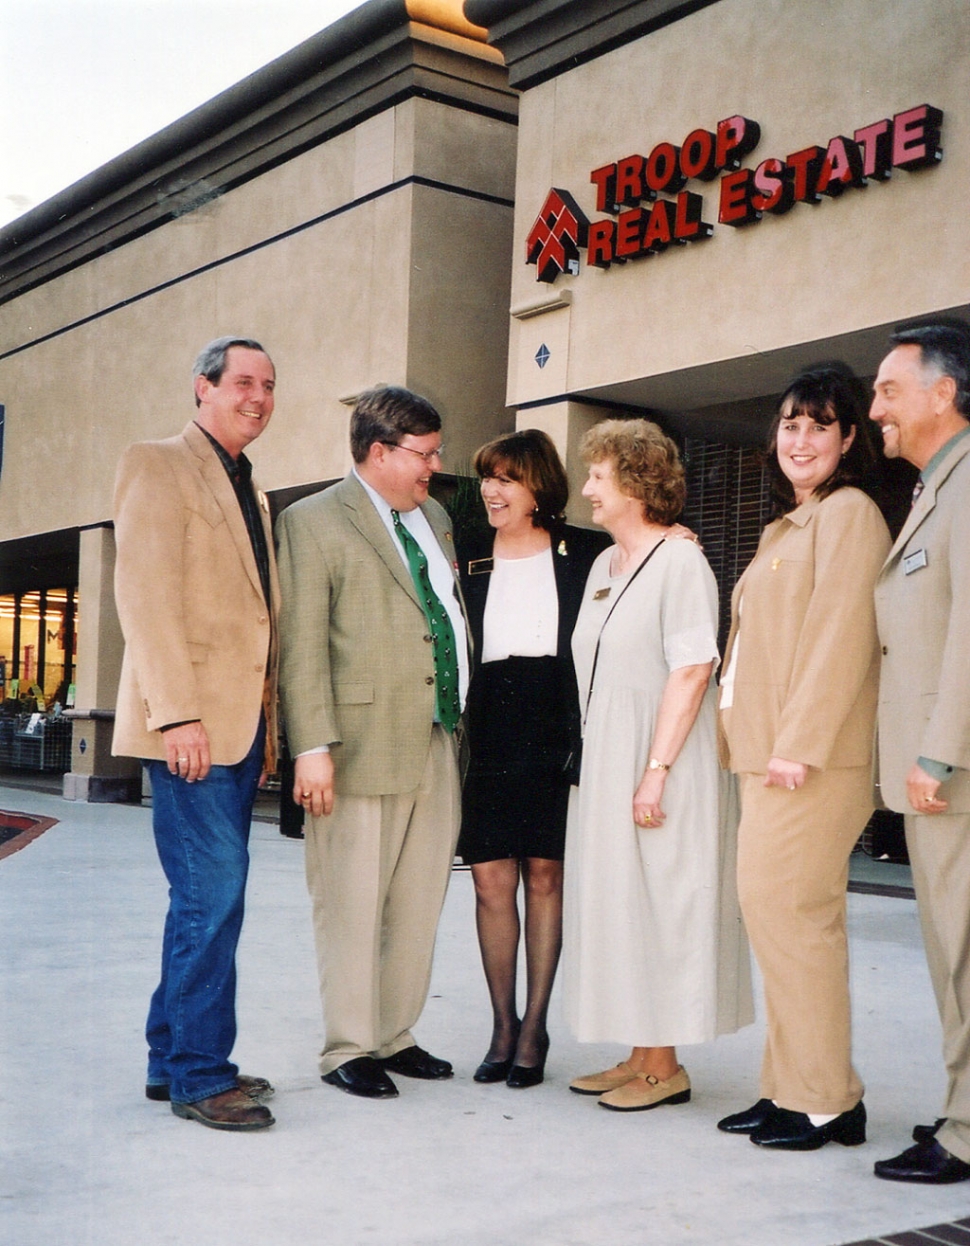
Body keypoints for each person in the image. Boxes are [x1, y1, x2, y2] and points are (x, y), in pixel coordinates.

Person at [276, 385, 468, 1100]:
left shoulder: (437, 518)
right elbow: (303, 647)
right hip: (353, 744)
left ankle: (394, 1034)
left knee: (417, 900)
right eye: (425, 453)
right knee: (352, 900)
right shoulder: (314, 520)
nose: (436, 466)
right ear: (378, 451)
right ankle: (348, 1045)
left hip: (436, 735)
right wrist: (311, 746)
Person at [716, 366, 890, 1151]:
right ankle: (790, 1088)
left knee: (795, 918)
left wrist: (797, 747)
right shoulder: (791, 524)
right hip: (770, 757)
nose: (801, 439)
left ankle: (823, 1099)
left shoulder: (849, 515)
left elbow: (841, 638)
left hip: (808, 761)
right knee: (779, 920)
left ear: (850, 438)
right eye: (790, 424)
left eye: (820, 425)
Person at [112, 336, 280, 1132]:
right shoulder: (157, 463)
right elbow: (144, 595)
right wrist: (175, 712)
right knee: (211, 900)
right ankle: (200, 1076)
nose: (258, 396)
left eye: (269, 386)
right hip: (192, 731)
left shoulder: (253, 487)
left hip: (237, 734)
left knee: (205, 901)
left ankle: (168, 1056)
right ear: (202, 388)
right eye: (243, 381)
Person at [564, 418, 752, 1112]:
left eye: (598, 476)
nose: (587, 488)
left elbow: (694, 668)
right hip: (610, 751)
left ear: (635, 485)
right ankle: (640, 1051)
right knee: (623, 903)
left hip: (661, 757)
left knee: (663, 903)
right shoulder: (603, 566)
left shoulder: (681, 563)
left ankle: (665, 1065)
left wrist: (655, 769)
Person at [457, 430, 608, 1088]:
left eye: (506, 479)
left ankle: (536, 1026)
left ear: (537, 487)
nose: (491, 490)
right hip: (489, 724)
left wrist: (679, 538)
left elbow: (645, 557)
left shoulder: (587, 551)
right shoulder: (467, 554)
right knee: (491, 880)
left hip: (555, 723)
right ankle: (501, 1024)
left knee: (546, 876)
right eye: (486, 478)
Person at [870, 320, 970, 1184]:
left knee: (966, 955)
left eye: (889, 390)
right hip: (946, 775)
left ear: (944, 393)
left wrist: (936, 755)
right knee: (951, 955)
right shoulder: (940, 486)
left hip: (959, 775)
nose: (876, 410)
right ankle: (964, 1113)